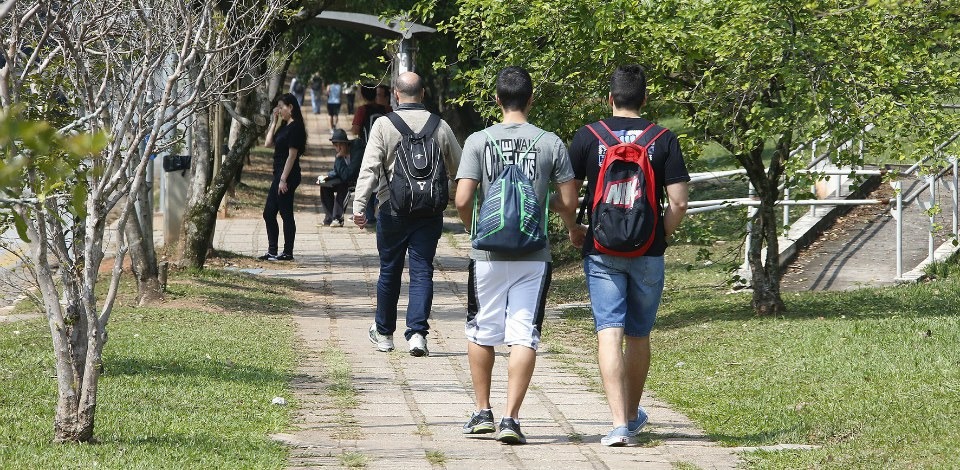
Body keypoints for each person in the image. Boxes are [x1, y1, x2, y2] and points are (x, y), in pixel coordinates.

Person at [454, 66, 583, 445]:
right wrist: (549, 206)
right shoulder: (550, 143)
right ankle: (511, 419)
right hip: (534, 253)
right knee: (523, 333)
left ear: (496, 99)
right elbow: (570, 201)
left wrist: (472, 228)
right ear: (530, 99)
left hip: (487, 253)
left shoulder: (479, 141)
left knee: (482, 329)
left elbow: (463, 199)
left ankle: (482, 412)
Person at [569, 64, 690, 446]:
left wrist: (575, 229)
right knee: (638, 334)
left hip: (601, 249)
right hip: (648, 250)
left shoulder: (589, 136)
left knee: (609, 331)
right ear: (645, 98)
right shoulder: (664, 138)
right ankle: (634, 416)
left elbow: (568, 195)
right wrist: (659, 236)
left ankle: (619, 423)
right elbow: (679, 203)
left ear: (610, 98)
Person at [352, 72, 462, 357]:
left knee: (389, 269)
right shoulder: (440, 126)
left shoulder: (383, 125)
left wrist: (359, 205)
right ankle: (417, 335)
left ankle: (385, 334)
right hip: (429, 211)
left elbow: (370, 167)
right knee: (422, 270)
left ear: (396, 95)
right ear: (423, 93)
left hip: (392, 209)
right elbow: (459, 169)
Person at [259, 93, 307, 261]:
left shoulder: (297, 127)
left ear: (290, 107)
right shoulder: (285, 125)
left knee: (285, 213)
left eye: (281, 107)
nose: (279, 110)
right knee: (269, 213)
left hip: (288, 174)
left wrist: (283, 179)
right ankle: (272, 251)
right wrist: (274, 121)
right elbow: (267, 143)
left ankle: (287, 252)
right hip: (278, 173)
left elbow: (292, 156)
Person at [319, 128, 361, 227]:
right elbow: (337, 171)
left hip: (355, 180)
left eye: (340, 145)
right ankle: (330, 218)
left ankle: (338, 218)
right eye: (336, 145)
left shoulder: (356, 152)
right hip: (345, 178)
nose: (338, 148)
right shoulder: (339, 155)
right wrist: (326, 177)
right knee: (324, 184)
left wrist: (339, 158)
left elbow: (348, 176)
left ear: (346, 144)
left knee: (343, 185)